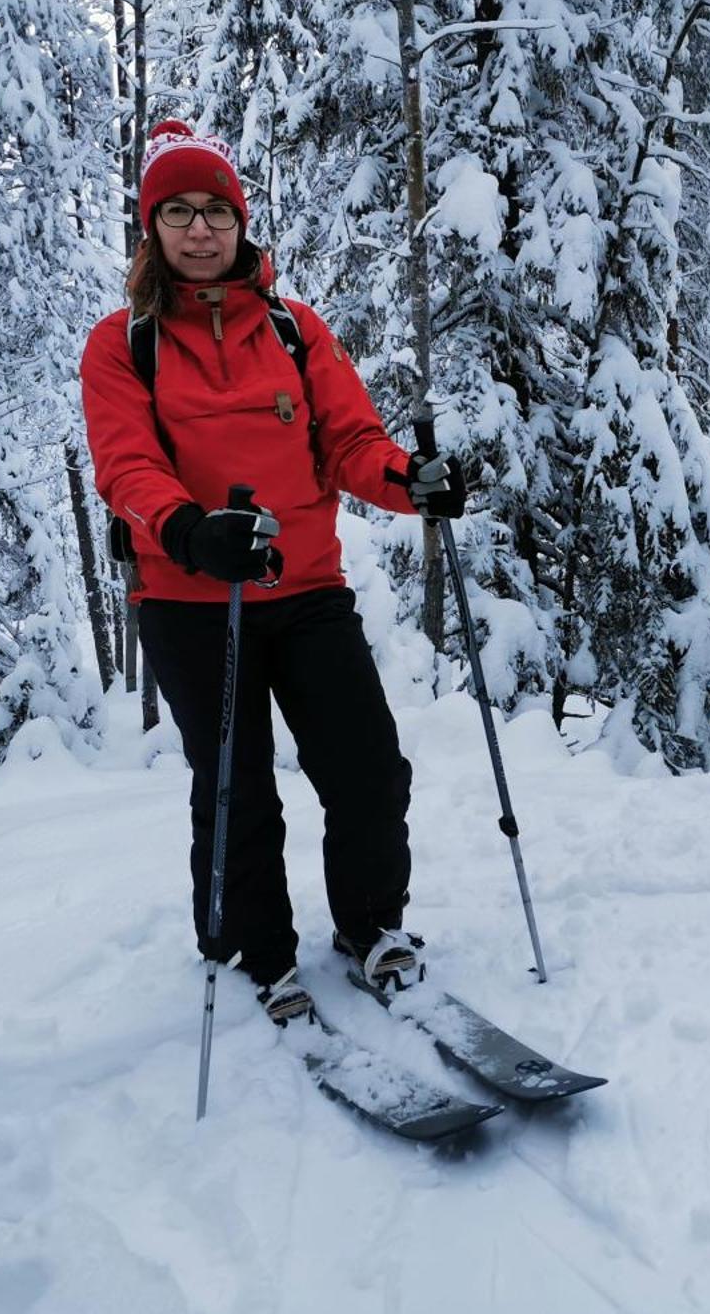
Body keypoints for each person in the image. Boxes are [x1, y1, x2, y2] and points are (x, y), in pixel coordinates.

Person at [81, 119, 466, 1025]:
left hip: (306, 590)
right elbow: (125, 465)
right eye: (177, 213)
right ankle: (256, 950)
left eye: (215, 210)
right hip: (190, 599)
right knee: (234, 783)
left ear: (241, 221)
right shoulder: (122, 344)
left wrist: (415, 483)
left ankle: (371, 927)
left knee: (369, 768)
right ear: (152, 229)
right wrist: (188, 531)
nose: (200, 230)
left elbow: (352, 443)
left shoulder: (295, 330)